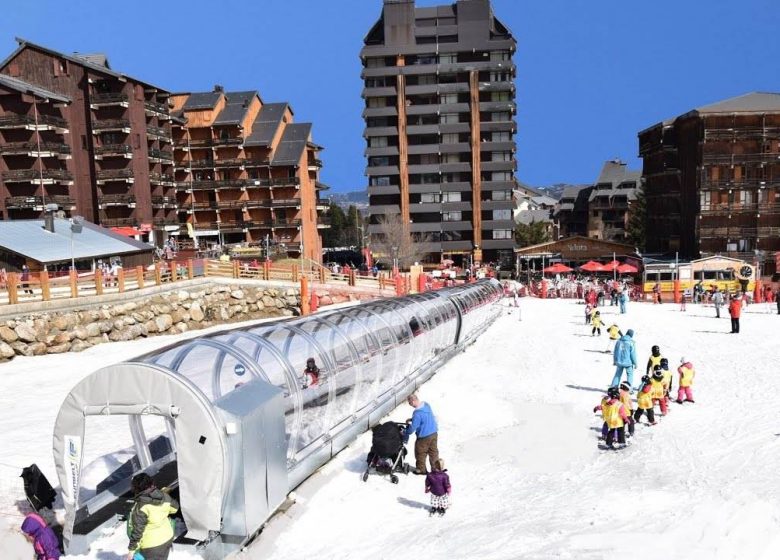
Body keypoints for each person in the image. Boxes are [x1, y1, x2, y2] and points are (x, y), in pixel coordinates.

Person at [127, 473, 178, 560]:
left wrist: (131, 550)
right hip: (167, 537)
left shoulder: (140, 507)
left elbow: (137, 531)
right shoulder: (164, 496)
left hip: (151, 546)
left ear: (135, 488)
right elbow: (175, 509)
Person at [404, 393, 439, 475]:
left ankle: (421, 469)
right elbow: (425, 417)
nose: (410, 405)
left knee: (420, 452)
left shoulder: (417, 413)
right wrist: (412, 419)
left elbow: (413, 428)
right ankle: (436, 470)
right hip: (434, 432)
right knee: (433, 452)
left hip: (424, 436)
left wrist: (407, 432)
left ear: (413, 401)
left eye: (409, 403)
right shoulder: (426, 405)